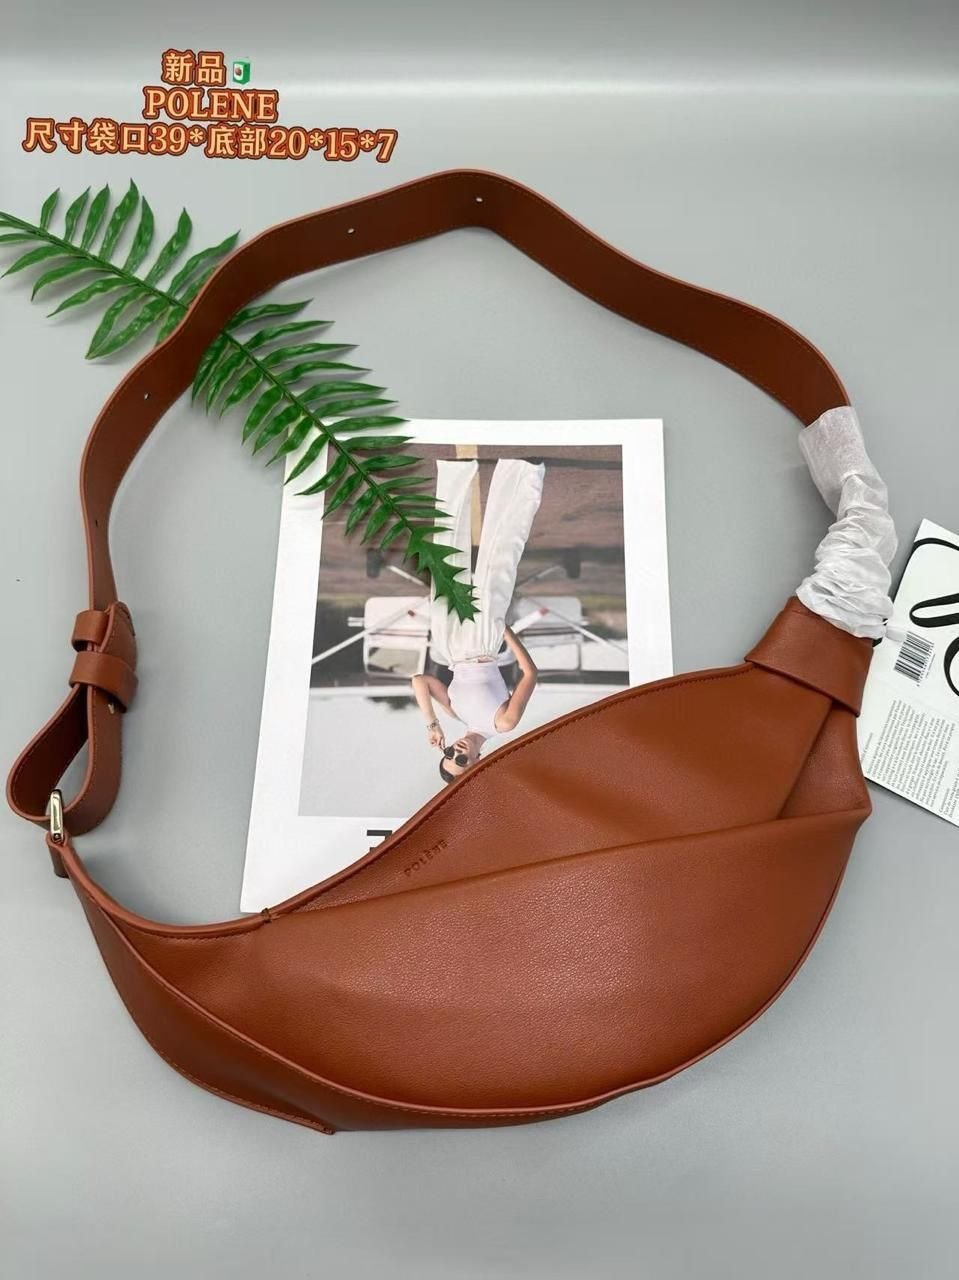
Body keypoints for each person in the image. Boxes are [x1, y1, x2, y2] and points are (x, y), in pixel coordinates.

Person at [411, 456, 545, 783]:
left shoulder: (456, 713)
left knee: (445, 560)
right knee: (499, 559)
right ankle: (522, 474)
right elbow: (530, 674)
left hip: (451, 646)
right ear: (476, 762)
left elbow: (420, 681)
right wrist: (505, 632)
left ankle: (456, 473)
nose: (456, 752)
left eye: (449, 755)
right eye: (462, 760)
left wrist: (432, 723)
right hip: (486, 642)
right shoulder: (503, 723)